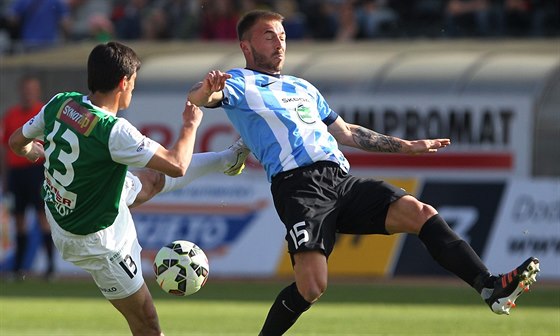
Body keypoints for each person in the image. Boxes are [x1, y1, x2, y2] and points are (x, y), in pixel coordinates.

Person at [188, 9, 541, 335]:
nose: (279, 42)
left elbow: (346, 132)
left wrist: (406, 146)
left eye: (281, 35)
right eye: (268, 35)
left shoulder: (302, 87)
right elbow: (203, 98)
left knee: (420, 213)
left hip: (340, 179)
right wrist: (207, 90)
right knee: (312, 287)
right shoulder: (239, 82)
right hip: (298, 187)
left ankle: (490, 287)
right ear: (246, 46)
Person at [8, 41, 249, 336]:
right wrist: (190, 123)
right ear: (124, 82)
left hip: (69, 209)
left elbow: (15, 142)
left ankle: (228, 159)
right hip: (96, 239)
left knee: (151, 180)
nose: (133, 89)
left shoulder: (62, 102)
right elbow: (177, 164)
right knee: (147, 324)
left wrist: (33, 151)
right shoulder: (113, 131)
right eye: (133, 83)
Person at [1, 75, 55, 280]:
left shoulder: (44, 114)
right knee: (19, 221)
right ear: (21, 91)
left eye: (32, 89)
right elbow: (5, 149)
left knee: (43, 218)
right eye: (26, 89)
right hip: (17, 174)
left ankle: (50, 268)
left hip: (37, 171)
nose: (28, 93)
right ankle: (19, 269)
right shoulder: (10, 116)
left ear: (37, 91)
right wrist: (5, 178)